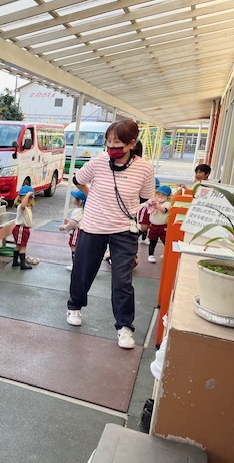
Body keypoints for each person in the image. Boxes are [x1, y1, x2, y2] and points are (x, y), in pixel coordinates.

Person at [66, 120, 155, 350]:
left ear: (132, 143)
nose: (111, 146)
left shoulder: (144, 169)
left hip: (124, 229)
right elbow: (78, 180)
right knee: (83, 271)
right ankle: (74, 306)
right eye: (108, 141)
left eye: (117, 142)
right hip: (93, 226)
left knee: (123, 279)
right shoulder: (98, 162)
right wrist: (92, 195)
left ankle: (124, 327)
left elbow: (146, 197)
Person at [60, 190, 86, 271]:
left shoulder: (77, 211)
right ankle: (80, 265)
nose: (73, 200)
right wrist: (69, 221)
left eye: (74, 198)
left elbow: (73, 223)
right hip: (83, 231)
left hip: (77, 231)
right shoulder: (85, 210)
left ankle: (75, 265)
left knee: (73, 246)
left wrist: (64, 227)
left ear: (80, 201)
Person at [146, 185, 172, 263]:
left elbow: (164, 210)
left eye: (163, 195)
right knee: (152, 241)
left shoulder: (167, 204)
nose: (160, 196)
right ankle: (151, 255)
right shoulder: (153, 202)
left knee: (165, 241)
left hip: (163, 226)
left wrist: (156, 205)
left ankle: (167, 253)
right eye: (158, 194)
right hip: (153, 226)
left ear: (168, 197)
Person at [11, 185, 35, 270]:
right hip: (21, 229)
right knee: (23, 247)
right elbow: (23, 205)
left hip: (24, 229)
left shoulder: (28, 208)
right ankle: (23, 264)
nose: (28, 199)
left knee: (18, 246)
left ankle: (15, 262)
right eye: (25, 197)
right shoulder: (21, 207)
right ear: (20, 198)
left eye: (30, 198)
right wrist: (28, 195)